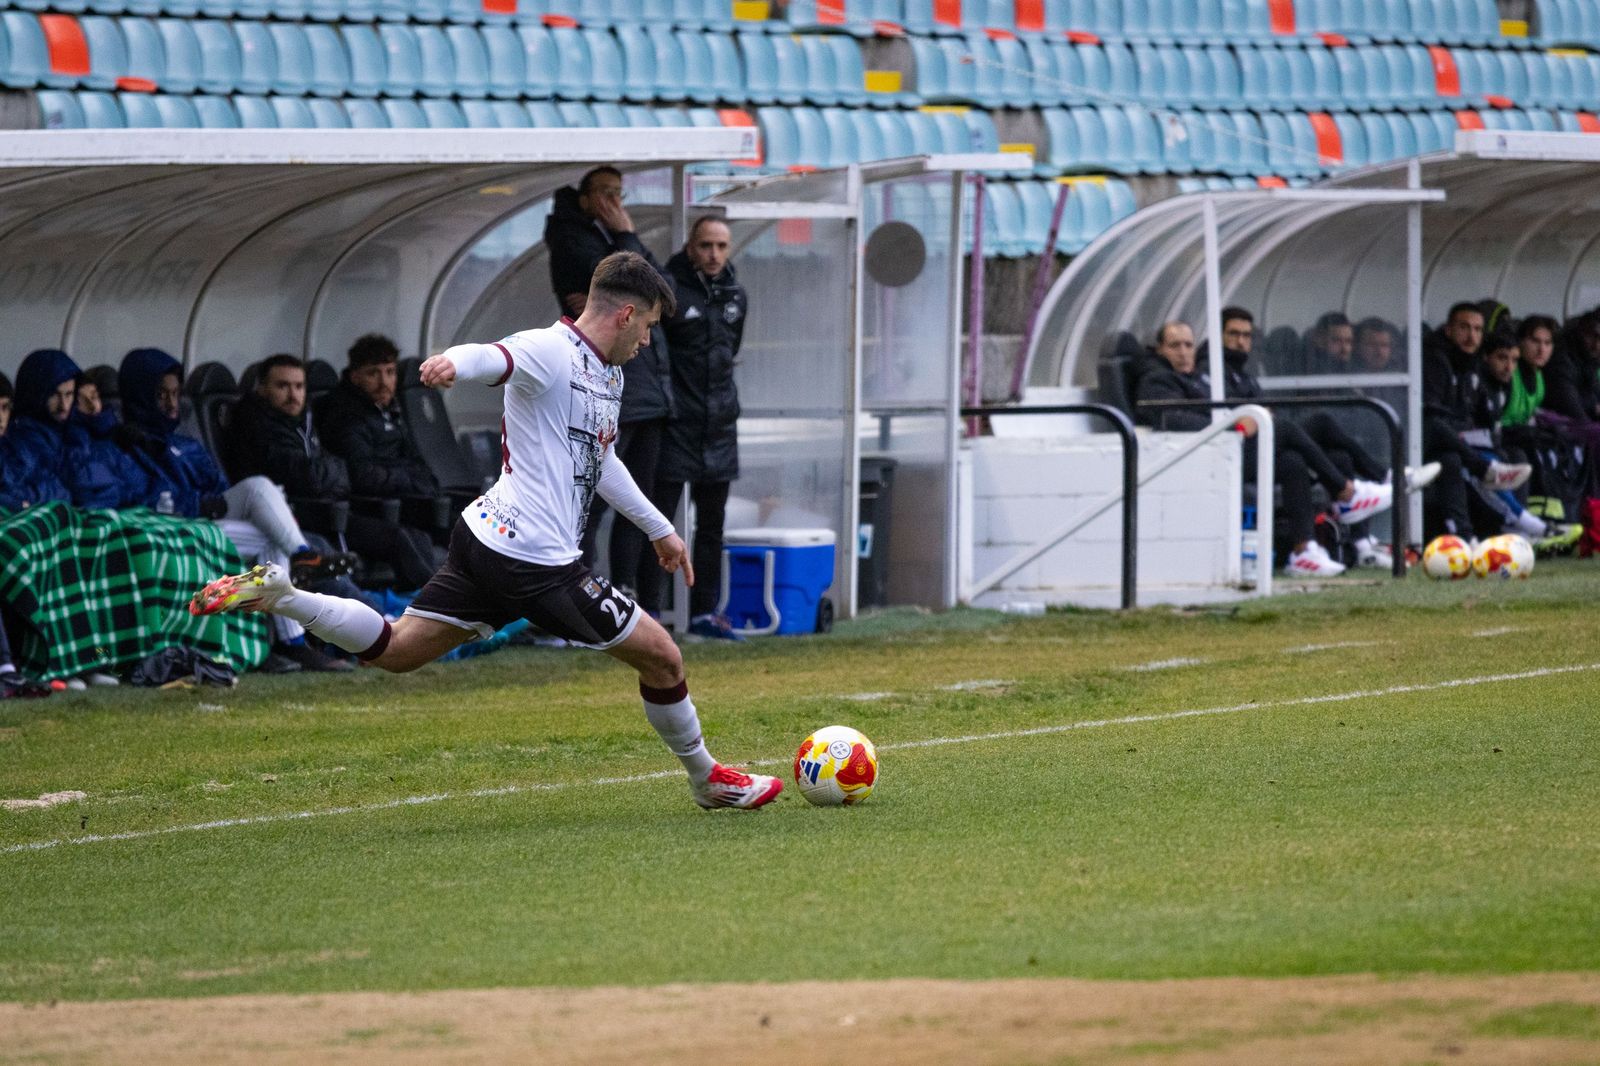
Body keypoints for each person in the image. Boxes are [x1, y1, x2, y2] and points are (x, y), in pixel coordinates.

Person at [191, 252, 782, 811]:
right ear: (626, 314)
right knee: (663, 658)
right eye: (648, 326)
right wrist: (452, 362)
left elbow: (600, 461)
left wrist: (659, 529)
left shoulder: (610, 376)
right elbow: (494, 356)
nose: (647, 341)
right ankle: (708, 780)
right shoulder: (551, 349)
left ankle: (286, 598)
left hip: (487, 540)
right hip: (535, 560)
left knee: (397, 651)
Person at [116, 346, 354, 673]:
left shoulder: (185, 444)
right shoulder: (128, 444)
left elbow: (217, 482)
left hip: (208, 521)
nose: (171, 403)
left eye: (174, 393)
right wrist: (198, 502)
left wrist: (212, 500)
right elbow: (142, 496)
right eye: (161, 394)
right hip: (173, 530)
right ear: (142, 395)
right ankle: (293, 640)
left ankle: (301, 554)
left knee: (258, 486)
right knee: (270, 541)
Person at [546, 166, 676, 581]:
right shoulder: (570, 238)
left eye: (620, 194)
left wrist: (624, 236)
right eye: (604, 194)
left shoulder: (608, 238)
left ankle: (629, 594)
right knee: (591, 497)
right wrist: (624, 236)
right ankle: (569, 589)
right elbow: (631, 284)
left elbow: (658, 290)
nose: (614, 204)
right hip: (608, 386)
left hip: (646, 392)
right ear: (584, 199)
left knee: (638, 497)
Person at [233, 354, 436, 591]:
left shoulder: (303, 420)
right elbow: (305, 476)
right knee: (395, 541)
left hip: (332, 509)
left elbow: (337, 469)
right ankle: (427, 609)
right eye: (282, 386)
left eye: (299, 386)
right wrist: (331, 474)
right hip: (303, 515)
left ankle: (431, 602)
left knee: (413, 536)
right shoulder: (257, 424)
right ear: (262, 389)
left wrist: (330, 474)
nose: (293, 395)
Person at [647, 216, 749, 640]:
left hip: (720, 425)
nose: (714, 255)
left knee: (712, 525)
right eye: (706, 245)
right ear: (691, 246)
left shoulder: (736, 295)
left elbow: (732, 350)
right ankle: (647, 612)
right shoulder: (670, 289)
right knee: (657, 522)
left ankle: (706, 614)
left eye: (722, 246)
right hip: (678, 424)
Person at [1421, 303, 1534, 540]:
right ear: (1449, 330)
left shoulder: (1471, 364)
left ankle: (1512, 525)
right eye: (1464, 328)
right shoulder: (1435, 358)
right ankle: (1467, 536)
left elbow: (1471, 413)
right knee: (1451, 461)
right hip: (1426, 442)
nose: (1472, 336)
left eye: (1477, 330)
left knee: (1510, 454)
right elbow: (1431, 416)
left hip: (1455, 439)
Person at [1465, 331, 1579, 552]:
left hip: (1490, 445)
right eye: (1502, 358)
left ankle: (1519, 525)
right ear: (1486, 357)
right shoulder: (1476, 382)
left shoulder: (1504, 385)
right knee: (1486, 465)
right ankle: (1525, 523)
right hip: (1463, 450)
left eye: (1514, 360)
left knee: (1516, 457)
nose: (1509, 367)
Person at [315, 334, 443, 510]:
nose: (384, 382)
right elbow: (363, 475)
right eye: (373, 373)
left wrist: (409, 474)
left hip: (403, 499)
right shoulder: (344, 415)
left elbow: (419, 464)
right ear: (355, 377)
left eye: (390, 372)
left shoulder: (389, 409)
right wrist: (408, 475)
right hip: (373, 508)